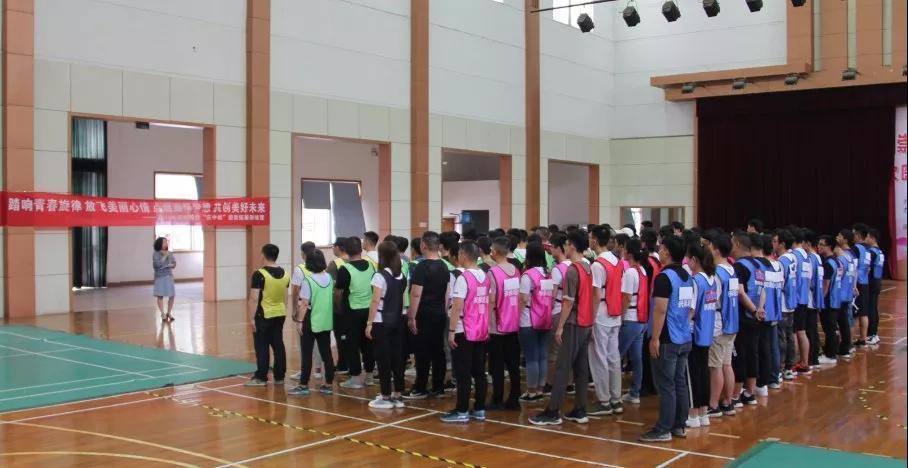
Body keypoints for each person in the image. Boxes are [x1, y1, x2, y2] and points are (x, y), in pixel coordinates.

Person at [529, 231, 594, 426]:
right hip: (586, 323)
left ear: (572, 246)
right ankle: (580, 409)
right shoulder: (588, 266)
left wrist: (559, 327)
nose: (565, 247)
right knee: (581, 369)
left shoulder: (573, 270)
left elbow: (568, 302)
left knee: (562, 368)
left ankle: (553, 411)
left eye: (566, 244)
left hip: (574, 323)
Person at [639, 235, 694, 443]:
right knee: (679, 382)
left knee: (666, 385)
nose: (659, 251)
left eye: (662, 248)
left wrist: (654, 338)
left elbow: (660, 310)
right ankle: (679, 424)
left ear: (668, 252)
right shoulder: (687, 275)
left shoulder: (664, 278)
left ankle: (663, 429)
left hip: (667, 339)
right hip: (683, 336)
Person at [441, 241, 490, 423]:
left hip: (464, 329)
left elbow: (457, 307)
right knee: (479, 371)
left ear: (462, 255)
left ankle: (462, 411)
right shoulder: (484, 275)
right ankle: (479, 409)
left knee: (463, 373)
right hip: (481, 329)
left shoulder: (464, 278)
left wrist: (451, 331)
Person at [707, 234, 751, 418]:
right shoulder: (732, 269)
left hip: (719, 323)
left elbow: (713, 299)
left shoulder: (717, 273)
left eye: (710, 247)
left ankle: (713, 405)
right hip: (732, 323)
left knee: (716, 366)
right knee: (727, 364)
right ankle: (728, 401)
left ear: (716, 250)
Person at [405, 232, 451, 399]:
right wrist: (443, 310)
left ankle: (420, 387)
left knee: (422, 351)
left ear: (423, 245)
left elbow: (416, 294)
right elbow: (447, 293)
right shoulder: (444, 266)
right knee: (438, 350)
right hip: (439, 313)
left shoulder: (422, 267)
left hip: (423, 314)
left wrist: (411, 317)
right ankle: (438, 387)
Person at [365, 241, 408, 409]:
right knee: (397, 357)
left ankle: (385, 395)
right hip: (397, 320)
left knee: (383, 359)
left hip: (381, 321)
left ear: (382, 256)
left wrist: (369, 323)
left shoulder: (379, 276)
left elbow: (375, 301)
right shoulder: (401, 275)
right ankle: (398, 394)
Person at [588, 226, 625, 416]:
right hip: (615, 313)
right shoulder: (617, 260)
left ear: (594, 241)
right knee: (613, 357)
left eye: (590, 237)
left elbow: (595, 295)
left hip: (601, 314)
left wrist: (590, 318)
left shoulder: (598, 264)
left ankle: (604, 401)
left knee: (599, 357)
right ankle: (616, 399)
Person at [289, 250, 335, 396]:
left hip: (310, 319)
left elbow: (304, 304)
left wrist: (299, 321)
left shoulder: (308, 281)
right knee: (326, 353)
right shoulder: (329, 278)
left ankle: (303, 385)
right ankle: (328, 384)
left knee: (307, 353)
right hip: (326, 319)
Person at [246, 244, 290, 387]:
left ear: (263, 255)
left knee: (262, 346)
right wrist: (284, 310)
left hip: (263, 315)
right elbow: (285, 296)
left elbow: (254, 298)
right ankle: (280, 376)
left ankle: (261, 377)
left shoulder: (259, 274)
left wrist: (251, 318)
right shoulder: (285, 273)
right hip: (280, 313)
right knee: (278, 345)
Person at [336, 236, 377, 389]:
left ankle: (355, 378)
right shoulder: (371, 266)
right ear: (361, 249)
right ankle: (370, 376)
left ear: (346, 251)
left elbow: (338, 293)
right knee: (368, 343)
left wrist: (339, 307)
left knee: (351, 344)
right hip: (368, 310)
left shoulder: (344, 269)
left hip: (351, 311)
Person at [487, 237, 522, 410]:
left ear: (495, 251)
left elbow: (491, 300)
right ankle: (515, 397)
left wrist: (486, 323)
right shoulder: (515, 270)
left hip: (497, 324)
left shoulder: (493, 272)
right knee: (513, 364)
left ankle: (497, 399)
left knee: (497, 365)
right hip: (513, 322)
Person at [730, 233, 765, 407]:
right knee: (752, 352)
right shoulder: (758, 265)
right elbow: (763, 290)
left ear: (737, 244)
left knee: (740, 354)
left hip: (744, 317)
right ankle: (750, 392)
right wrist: (760, 309)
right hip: (755, 316)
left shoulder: (739, 266)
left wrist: (753, 309)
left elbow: (740, 292)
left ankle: (735, 395)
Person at [685, 242, 717, 429]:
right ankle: (704, 413)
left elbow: (691, 310)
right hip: (707, 332)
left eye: (688, 258)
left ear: (694, 260)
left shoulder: (696, 281)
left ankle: (693, 414)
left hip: (695, 332)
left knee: (693, 375)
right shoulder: (713, 279)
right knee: (703, 372)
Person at [518, 241, 554, 402]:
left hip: (529, 320)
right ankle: (540, 388)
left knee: (531, 357)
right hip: (546, 319)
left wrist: (516, 317)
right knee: (542, 356)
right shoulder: (548, 273)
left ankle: (531, 391)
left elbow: (523, 299)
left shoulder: (528, 275)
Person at [618, 238, 649, 405]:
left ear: (629, 253)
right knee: (637, 358)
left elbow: (626, 298)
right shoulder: (642, 270)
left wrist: (620, 318)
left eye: (623, 248)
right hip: (641, 319)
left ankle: (613, 394)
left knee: (616, 356)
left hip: (630, 319)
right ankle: (635, 392)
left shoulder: (630, 272)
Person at [544, 232, 576, 396]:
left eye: (552, 247)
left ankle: (550, 383)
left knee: (554, 351)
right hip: (572, 312)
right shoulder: (575, 265)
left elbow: (552, 295)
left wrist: (547, 313)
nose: (550, 250)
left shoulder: (557, 269)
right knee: (568, 349)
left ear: (558, 248)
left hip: (558, 311)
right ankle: (569, 383)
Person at [774, 229, 800, 381]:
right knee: (789, 335)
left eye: (775, 241)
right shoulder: (793, 257)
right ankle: (789, 367)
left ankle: (780, 368)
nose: (773, 244)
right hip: (791, 302)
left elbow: (780, 283)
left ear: (782, 244)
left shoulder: (782, 261)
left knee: (781, 338)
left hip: (783, 303)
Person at [817, 235, 842, 362]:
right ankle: (832, 350)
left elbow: (825, 286)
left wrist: (820, 302)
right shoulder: (837, 261)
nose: (819, 247)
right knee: (832, 327)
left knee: (829, 328)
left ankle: (830, 355)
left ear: (829, 247)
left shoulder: (828, 264)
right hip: (836, 299)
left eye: (822, 244)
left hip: (829, 301)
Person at [851, 223, 872, 347]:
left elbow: (853, 267)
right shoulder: (868, 249)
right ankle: (863, 338)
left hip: (857, 284)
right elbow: (868, 268)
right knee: (863, 313)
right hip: (865, 283)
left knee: (853, 314)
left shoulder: (855, 248)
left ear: (858, 235)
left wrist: (853, 285)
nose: (852, 236)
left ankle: (849, 340)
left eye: (853, 234)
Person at [866, 228, 885, 345]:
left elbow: (867, 268)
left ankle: (871, 335)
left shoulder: (872, 252)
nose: (866, 238)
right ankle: (874, 334)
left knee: (871, 308)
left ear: (872, 238)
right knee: (874, 307)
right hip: (877, 281)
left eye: (867, 236)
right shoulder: (880, 251)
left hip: (872, 282)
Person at [152, 237, 177, 322]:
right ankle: (162, 313)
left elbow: (174, 263)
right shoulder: (156, 253)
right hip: (160, 277)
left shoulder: (170, 253)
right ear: (160, 244)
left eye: (166, 242)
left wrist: (172, 265)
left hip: (169, 276)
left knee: (172, 295)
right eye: (164, 242)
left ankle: (168, 313)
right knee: (160, 295)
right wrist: (165, 256)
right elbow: (157, 265)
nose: (166, 244)